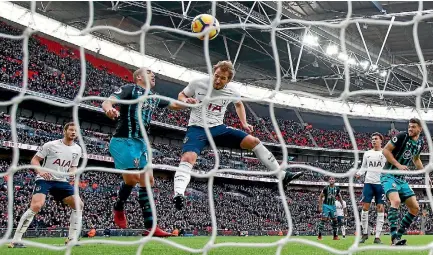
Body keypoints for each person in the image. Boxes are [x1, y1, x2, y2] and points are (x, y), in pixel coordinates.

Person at [172, 60, 303, 210]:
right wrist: (185, 100)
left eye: (223, 78)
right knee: (188, 158)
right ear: (213, 73)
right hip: (197, 129)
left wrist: (244, 123)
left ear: (229, 80)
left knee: (254, 141)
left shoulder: (232, 91)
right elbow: (181, 94)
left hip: (218, 129)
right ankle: (179, 194)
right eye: (216, 76)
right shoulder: (198, 83)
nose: (218, 80)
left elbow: (239, 104)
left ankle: (282, 175)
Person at [102, 67, 183, 237]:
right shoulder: (129, 89)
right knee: (133, 179)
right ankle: (118, 206)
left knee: (149, 179)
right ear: (139, 77)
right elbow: (107, 101)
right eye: (149, 73)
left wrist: (190, 102)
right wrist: (109, 109)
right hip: (124, 140)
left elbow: (174, 104)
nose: (153, 75)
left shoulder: (154, 97)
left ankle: (151, 227)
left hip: (142, 143)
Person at [9, 122, 83, 248]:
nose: (73, 132)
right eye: (71, 130)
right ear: (64, 131)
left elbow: (73, 166)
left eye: (75, 131)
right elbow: (35, 160)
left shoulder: (78, 149)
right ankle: (16, 240)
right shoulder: (51, 145)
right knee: (36, 206)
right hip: (45, 179)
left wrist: (72, 173)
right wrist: (41, 171)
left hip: (61, 181)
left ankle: (72, 238)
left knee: (79, 204)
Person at [381, 118, 424, 246]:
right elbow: (385, 150)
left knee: (415, 208)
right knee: (396, 201)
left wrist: (425, 174)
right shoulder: (401, 136)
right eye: (409, 126)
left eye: (413, 127)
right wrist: (398, 165)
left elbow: (416, 159)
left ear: (420, 129)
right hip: (389, 175)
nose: (410, 129)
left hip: (401, 179)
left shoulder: (420, 143)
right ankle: (393, 237)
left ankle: (398, 237)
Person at [356, 132, 387, 244]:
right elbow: (363, 167)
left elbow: (388, 167)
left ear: (381, 140)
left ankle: (377, 237)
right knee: (365, 208)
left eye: (376, 139)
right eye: (372, 139)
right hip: (368, 183)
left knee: (380, 208)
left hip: (381, 184)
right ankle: (364, 234)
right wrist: (359, 173)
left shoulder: (385, 153)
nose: (373, 140)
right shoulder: (367, 153)